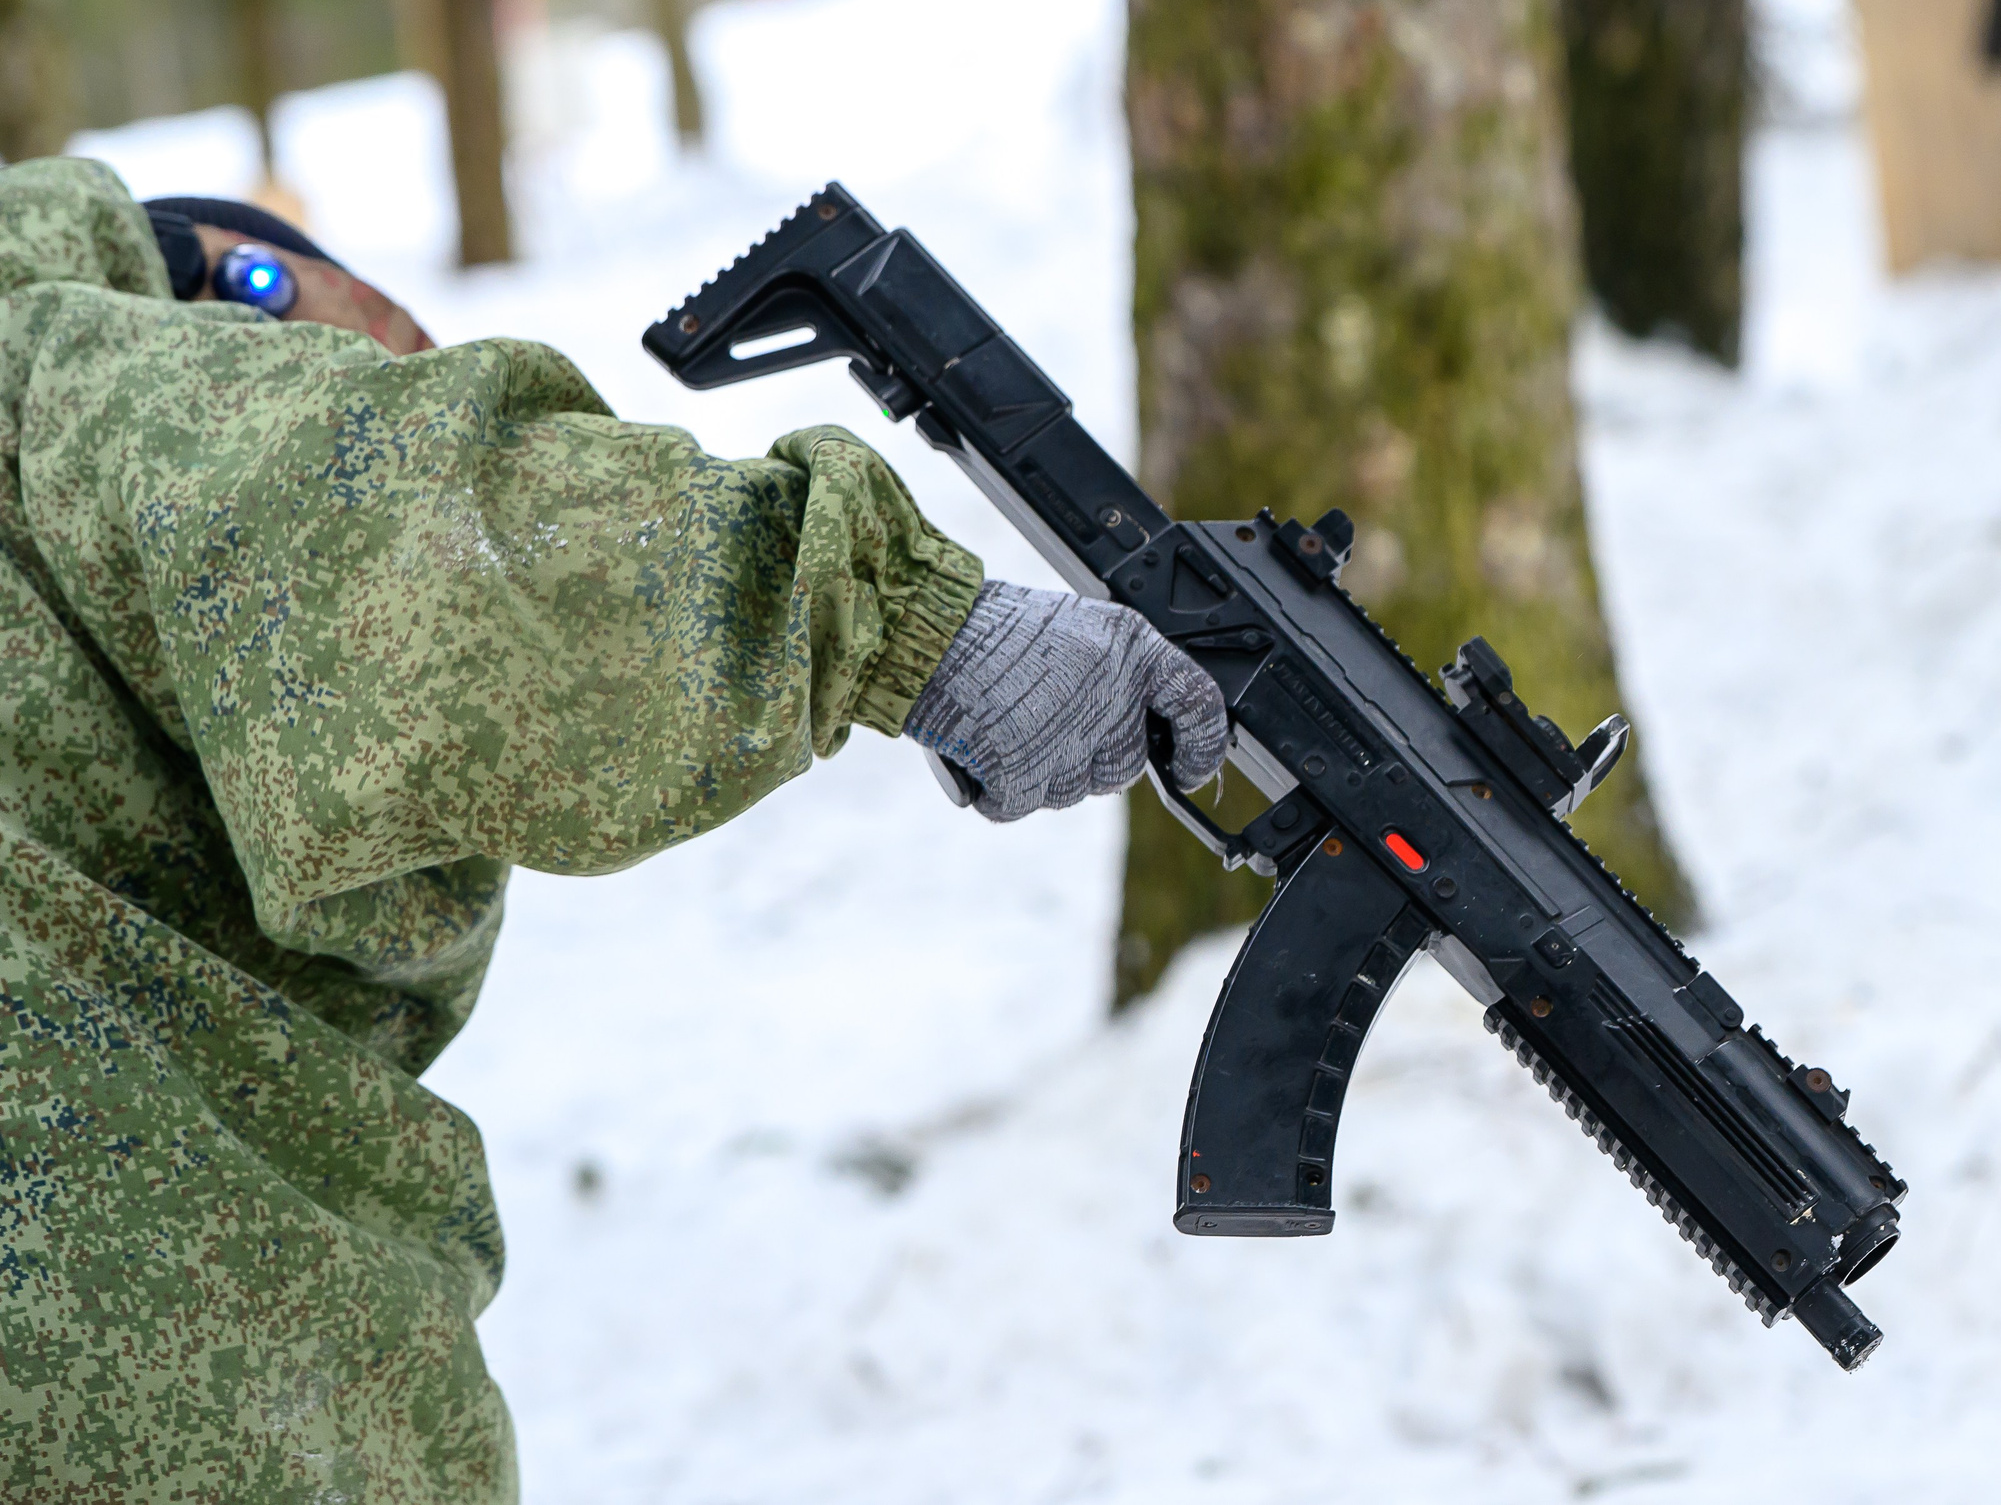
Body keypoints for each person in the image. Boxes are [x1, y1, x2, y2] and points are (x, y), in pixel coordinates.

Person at [0, 157, 1225, 1501]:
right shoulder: (71, 347)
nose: (391, 368)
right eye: (356, 339)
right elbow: (403, 516)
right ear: (226, 279)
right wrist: (910, 632)